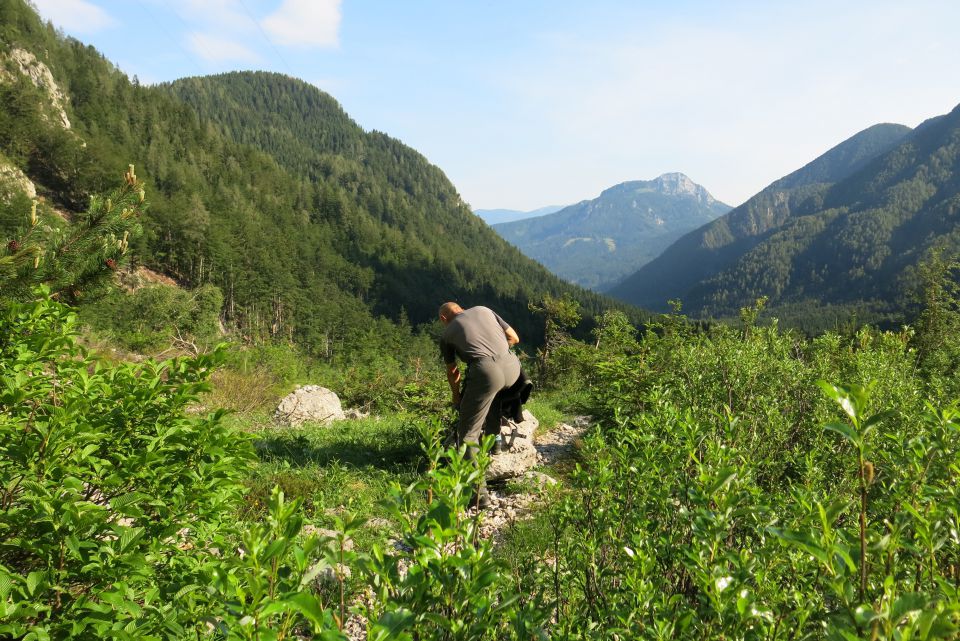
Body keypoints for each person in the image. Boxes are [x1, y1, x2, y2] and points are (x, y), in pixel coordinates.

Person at [438, 302, 521, 509]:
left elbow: (453, 372)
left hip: (485, 372)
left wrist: (457, 397)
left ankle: (479, 495)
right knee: (493, 398)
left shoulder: (447, 334)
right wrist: (497, 354)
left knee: (467, 434)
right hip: (513, 368)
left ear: (443, 319)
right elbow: (514, 338)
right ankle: (496, 444)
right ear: (462, 309)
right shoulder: (485, 309)